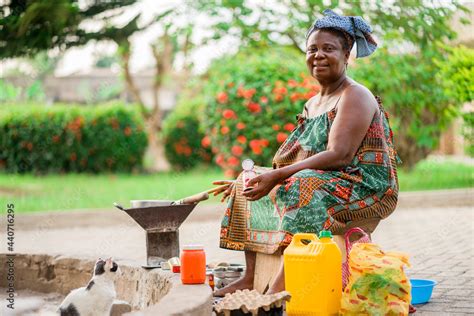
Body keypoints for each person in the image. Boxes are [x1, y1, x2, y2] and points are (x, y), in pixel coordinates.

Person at [212, 9, 399, 297]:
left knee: (304, 184)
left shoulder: (355, 95)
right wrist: (258, 177)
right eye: (312, 49)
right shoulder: (313, 103)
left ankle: (278, 289)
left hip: (364, 186)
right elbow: (296, 157)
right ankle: (250, 277)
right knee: (247, 178)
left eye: (328, 49)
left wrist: (278, 176)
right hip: (328, 179)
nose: (318, 55)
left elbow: (340, 155)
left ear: (347, 54)